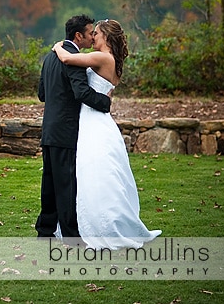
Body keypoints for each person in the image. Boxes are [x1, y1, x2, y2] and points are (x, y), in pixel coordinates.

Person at [52, 19, 162, 249]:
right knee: (94, 174)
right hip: (96, 121)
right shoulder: (110, 61)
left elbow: (68, 59)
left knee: (94, 173)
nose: (93, 38)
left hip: (94, 123)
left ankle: (102, 225)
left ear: (106, 38)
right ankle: (92, 221)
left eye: (97, 34)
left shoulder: (103, 58)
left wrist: (58, 46)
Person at [35, 15, 112, 243]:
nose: (91, 37)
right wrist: (105, 102)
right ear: (78, 35)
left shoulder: (50, 57)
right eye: (90, 33)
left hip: (49, 130)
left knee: (49, 184)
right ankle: (71, 237)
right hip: (66, 130)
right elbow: (81, 93)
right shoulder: (74, 59)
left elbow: (42, 94)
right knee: (66, 185)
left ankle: (45, 232)